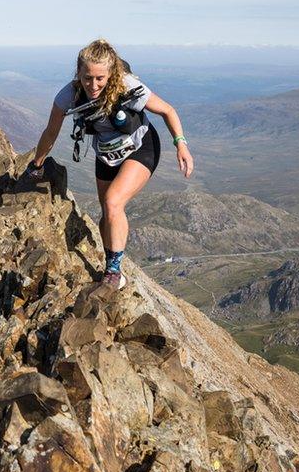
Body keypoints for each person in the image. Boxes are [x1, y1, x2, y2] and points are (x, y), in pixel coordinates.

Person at [26, 39, 194, 290]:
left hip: (141, 147)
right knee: (108, 214)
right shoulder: (69, 95)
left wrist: (181, 144)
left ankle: (114, 273)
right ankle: (111, 264)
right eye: (87, 78)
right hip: (106, 154)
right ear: (78, 74)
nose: (93, 85)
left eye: (100, 78)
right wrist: (36, 164)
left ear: (111, 74)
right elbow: (51, 132)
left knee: (113, 201)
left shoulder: (127, 87)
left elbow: (167, 110)